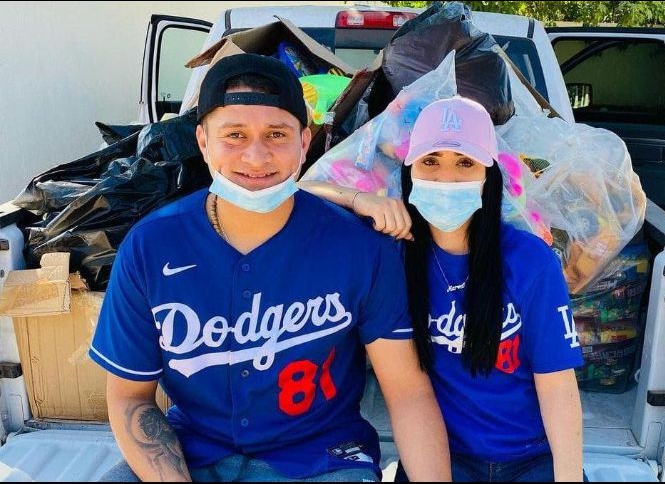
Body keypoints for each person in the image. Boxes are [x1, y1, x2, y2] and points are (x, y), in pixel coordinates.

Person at [89, 53, 450, 482]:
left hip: (322, 459)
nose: (256, 156)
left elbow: (407, 391)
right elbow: (130, 397)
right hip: (191, 453)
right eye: (235, 135)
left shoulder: (361, 247)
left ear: (304, 142)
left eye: (276, 134)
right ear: (203, 141)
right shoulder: (151, 246)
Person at [300, 96, 586, 482]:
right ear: (409, 171)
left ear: (488, 175)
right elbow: (295, 194)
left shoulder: (529, 260)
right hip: (441, 456)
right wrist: (358, 198)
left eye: (465, 163)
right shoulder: (393, 252)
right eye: (430, 161)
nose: (445, 179)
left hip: (532, 458)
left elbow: (557, 386)